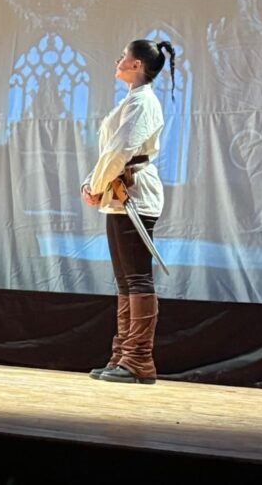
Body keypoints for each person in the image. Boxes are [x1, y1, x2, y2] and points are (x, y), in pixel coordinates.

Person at [83, 39, 175, 384]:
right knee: (125, 279)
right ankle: (123, 354)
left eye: (124, 56)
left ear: (137, 65)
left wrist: (96, 185)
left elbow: (121, 150)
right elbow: (111, 150)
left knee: (136, 277)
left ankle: (138, 359)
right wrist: (92, 182)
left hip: (135, 195)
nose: (118, 60)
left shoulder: (143, 102)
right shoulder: (132, 100)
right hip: (120, 193)